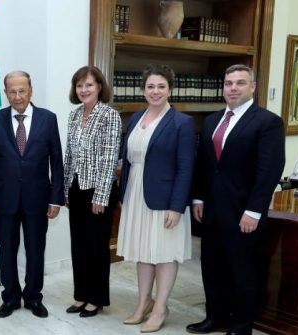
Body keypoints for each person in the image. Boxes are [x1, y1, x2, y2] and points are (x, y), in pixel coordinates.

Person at [187, 64, 285, 335]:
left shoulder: (268, 122)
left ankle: (242, 325)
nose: (233, 88)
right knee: (212, 266)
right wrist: (198, 198)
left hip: (243, 212)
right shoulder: (211, 120)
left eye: (240, 83)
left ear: (252, 86)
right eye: (229, 83)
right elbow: (205, 165)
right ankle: (215, 317)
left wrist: (254, 211)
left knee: (242, 270)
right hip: (212, 210)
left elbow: (269, 171)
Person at [117, 64, 196, 333]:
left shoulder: (181, 123)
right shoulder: (136, 117)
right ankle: (143, 303)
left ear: (170, 89)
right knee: (142, 251)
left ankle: (161, 307)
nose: (155, 91)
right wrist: (124, 193)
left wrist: (177, 206)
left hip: (165, 199)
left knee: (163, 254)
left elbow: (186, 167)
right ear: (143, 89)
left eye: (161, 86)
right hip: (136, 194)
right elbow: (127, 159)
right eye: (150, 86)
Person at [0, 71, 64, 319]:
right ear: (5, 92)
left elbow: (57, 162)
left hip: (38, 199)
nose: (17, 97)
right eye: (12, 91)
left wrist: (55, 198)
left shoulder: (48, 119)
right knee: (7, 249)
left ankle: (33, 297)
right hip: (3, 199)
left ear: (31, 90)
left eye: (22, 90)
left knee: (35, 250)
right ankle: (10, 297)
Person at [63, 65, 121, 318]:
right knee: (79, 245)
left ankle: (96, 298)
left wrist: (101, 196)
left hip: (99, 191)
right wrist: (65, 189)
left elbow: (109, 159)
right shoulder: (74, 116)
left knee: (97, 247)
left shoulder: (109, 115)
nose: (84, 89)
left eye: (89, 84)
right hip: (76, 188)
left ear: (99, 87)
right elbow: (69, 155)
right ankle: (81, 295)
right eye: (79, 85)